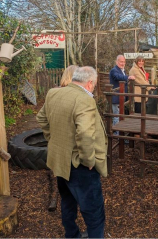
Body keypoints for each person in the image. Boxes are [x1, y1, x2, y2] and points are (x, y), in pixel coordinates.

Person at [36, 66, 107, 239]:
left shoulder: (54, 93)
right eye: (94, 84)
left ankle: (72, 235)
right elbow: (84, 134)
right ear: (90, 83)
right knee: (94, 213)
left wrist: (54, 139)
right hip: (80, 166)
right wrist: (89, 160)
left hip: (60, 162)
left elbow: (41, 118)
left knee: (68, 203)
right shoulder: (84, 99)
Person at [109, 55, 135, 128]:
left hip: (121, 97)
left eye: (124, 62)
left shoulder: (122, 70)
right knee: (116, 116)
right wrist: (128, 77)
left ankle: (118, 133)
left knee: (120, 116)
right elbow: (117, 77)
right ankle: (116, 134)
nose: (122, 63)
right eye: (121, 62)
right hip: (116, 97)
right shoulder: (114, 70)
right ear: (117, 61)